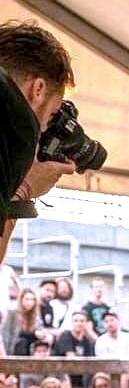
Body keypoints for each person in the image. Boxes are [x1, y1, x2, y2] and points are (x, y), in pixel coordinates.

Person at [0, 20, 76, 262]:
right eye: (52, 114)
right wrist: (25, 188)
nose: (43, 129)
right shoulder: (15, 122)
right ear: (38, 89)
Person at [51, 311, 95, 388]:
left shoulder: (86, 340)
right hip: (62, 369)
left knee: (92, 374)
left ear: (86, 323)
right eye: (76, 321)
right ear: (72, 323)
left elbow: (90, 360)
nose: (79, 323)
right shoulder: (65, 336)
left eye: (82, 321)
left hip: (80, 370)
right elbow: (71, 358)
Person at [93, 311, 129, 388]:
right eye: (106, 321)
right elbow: (103, 362)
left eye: (112, 320)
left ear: (118, 321)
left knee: (125, 376)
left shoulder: (128, 338)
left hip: (127, 369)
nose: (109, 323)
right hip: (108, 370)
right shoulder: (101, 341)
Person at [1, 287, 47, 356]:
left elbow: (41, 329)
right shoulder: (13, 313)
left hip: (31, 347)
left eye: (32, 299)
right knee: (22, 342)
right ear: (21, 300)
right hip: (15, 347)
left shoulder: (35, 315)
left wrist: (41, 334)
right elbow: (6, 334)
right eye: (27, 299)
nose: (29, 302)